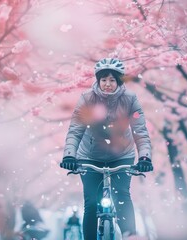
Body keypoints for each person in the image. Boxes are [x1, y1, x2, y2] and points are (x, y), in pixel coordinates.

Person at [60, 58, 153, 239]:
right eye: (104, 79)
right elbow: (75, 130)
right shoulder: (87, 98)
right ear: (98, 80)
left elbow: (140, 131)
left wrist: (144, 158)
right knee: (92, 203)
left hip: (122, 156)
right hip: (89, 157)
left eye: (112, 80)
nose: (107, 84)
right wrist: (70, 156)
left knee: (122, 198)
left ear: (118, 81)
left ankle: (129, 236)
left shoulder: (130, 99)